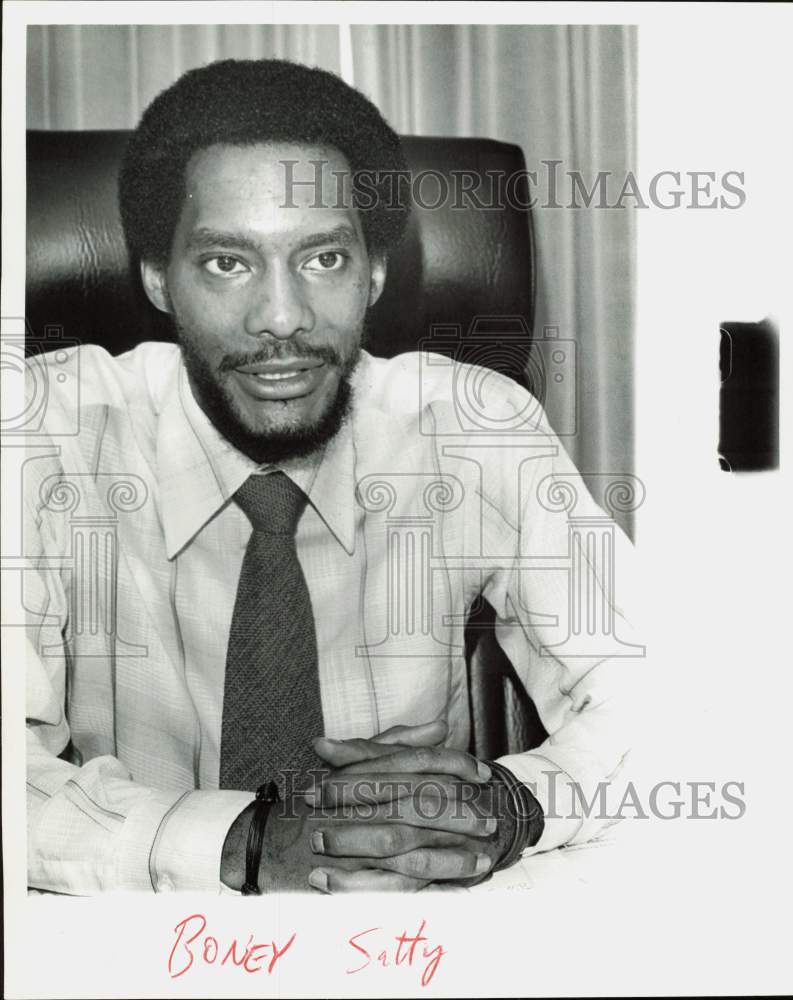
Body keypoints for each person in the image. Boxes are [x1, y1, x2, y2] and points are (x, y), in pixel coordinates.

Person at [23, 58, 642, 895]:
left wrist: (511, 802)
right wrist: (241, 841)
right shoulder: (41, 429)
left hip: (413, 940)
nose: (282, 319)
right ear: (157, 278)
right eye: (226, 264)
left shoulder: (472, 426)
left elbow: (668, 693)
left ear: (375, 273)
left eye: (322, 258)